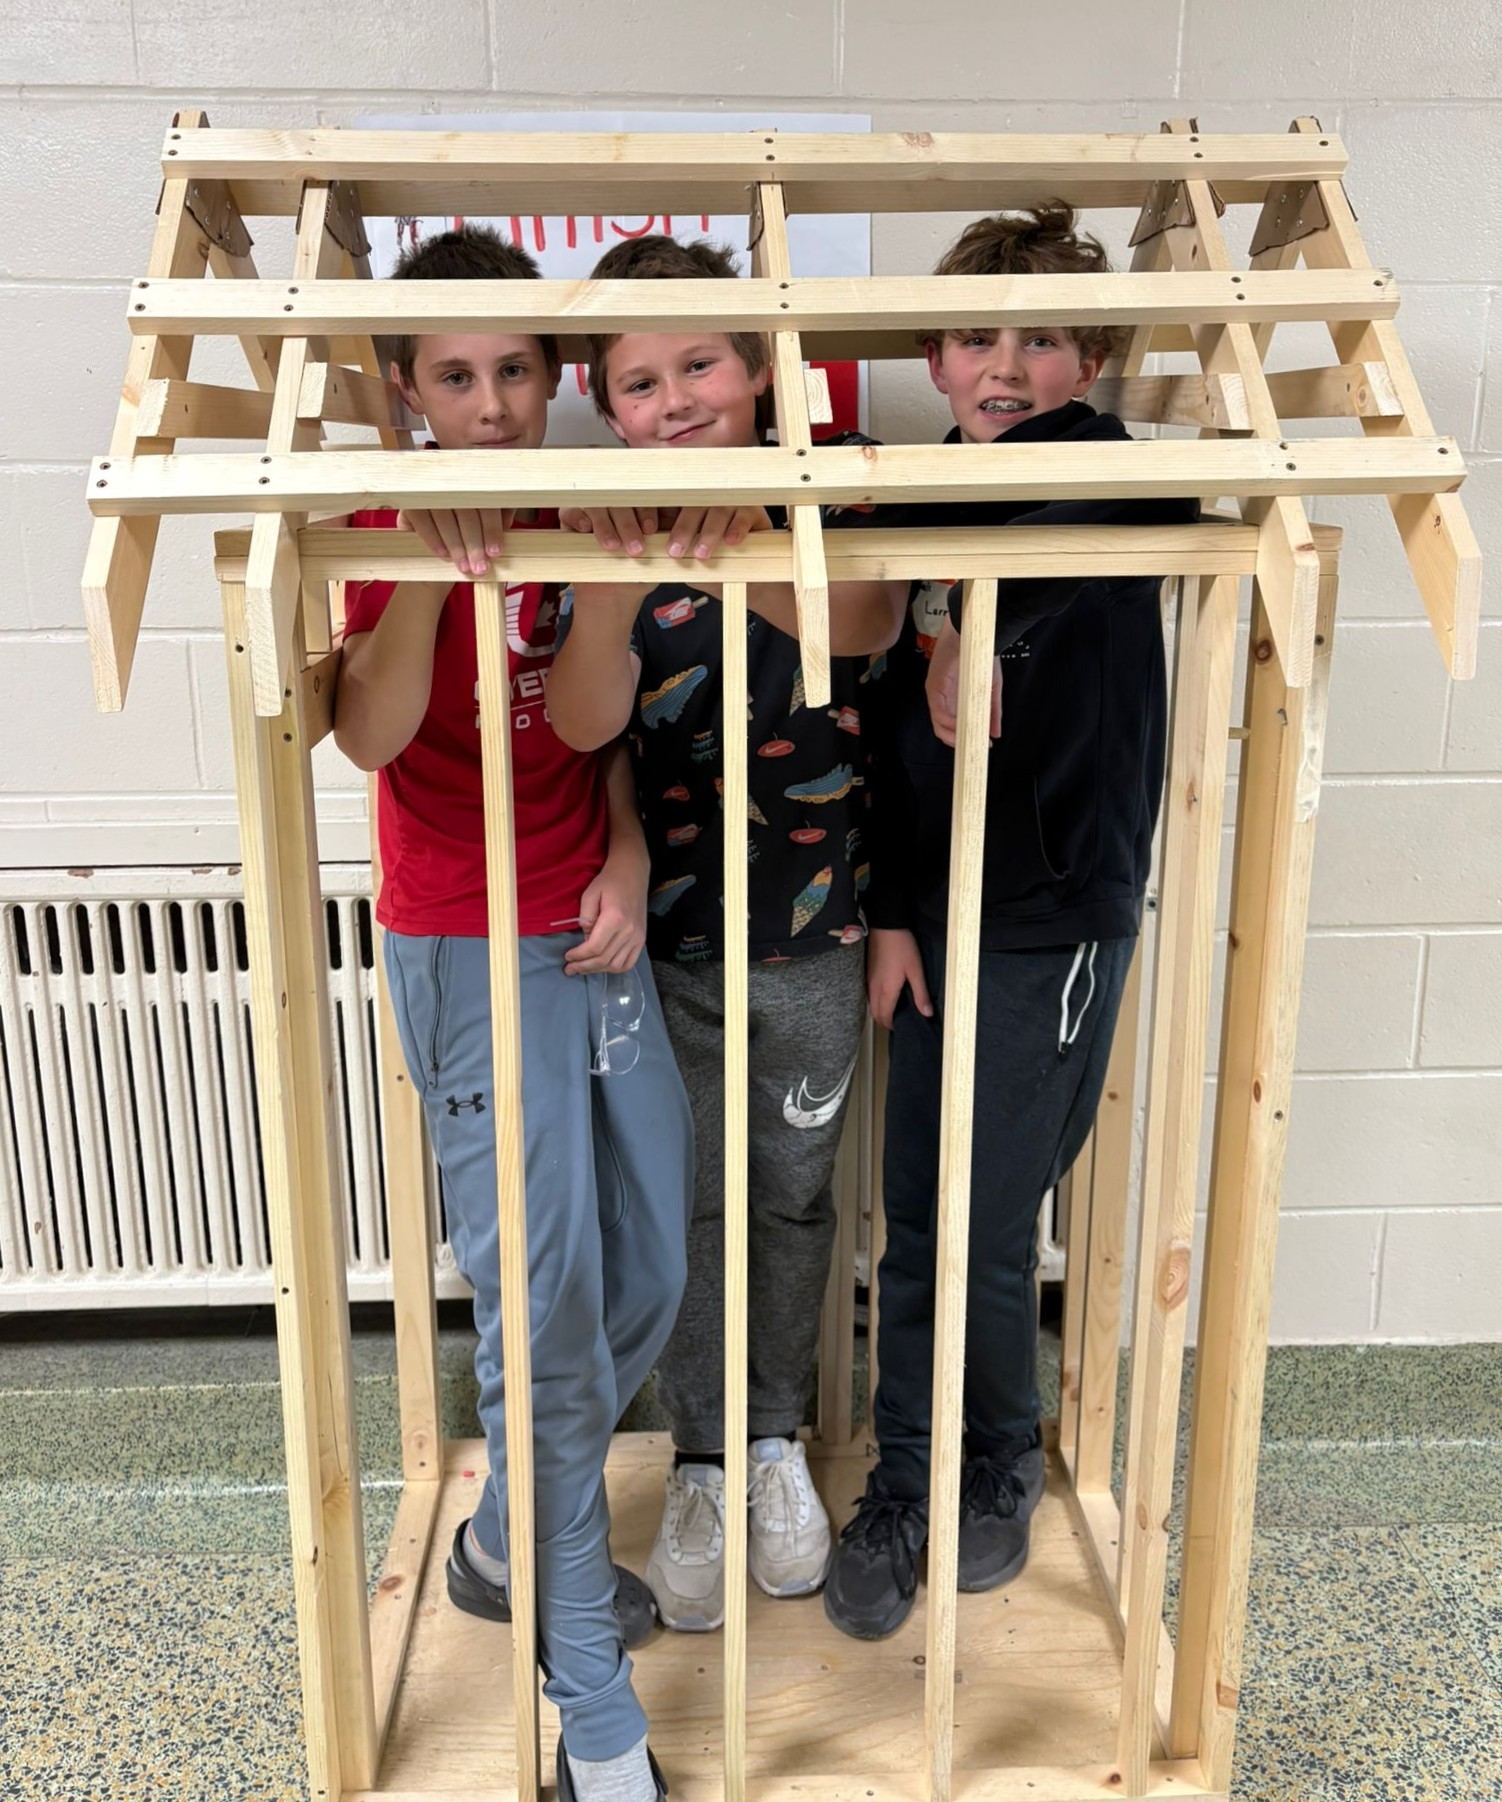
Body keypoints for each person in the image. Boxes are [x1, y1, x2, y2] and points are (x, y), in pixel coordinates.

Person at [333, 224, 691, 1802]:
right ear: (406, 391)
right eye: (455, 378)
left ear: (552, 382)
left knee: (654, 1261)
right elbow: (370, 732)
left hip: (583, 921)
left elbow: (594, 723)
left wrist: (620, 838)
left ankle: (500, 1536)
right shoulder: (372, 512)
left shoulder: (579, 502)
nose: (489, 407)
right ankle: (588, 1704)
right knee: (539, 1314)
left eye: (515, 373)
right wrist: (424, 554)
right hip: (461, 945)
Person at [822, 202, 1199, 1641]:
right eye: (977, 336)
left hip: (1051, 914)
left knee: (984, 1220)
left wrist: (971, 612)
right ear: (935, 351)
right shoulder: (924, 500)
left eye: (1040, 338)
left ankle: (991, 1457)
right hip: (942, 914)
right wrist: (895, 912)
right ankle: (904, 1479)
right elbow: (898, 744)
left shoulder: (1104, 469)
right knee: (919, 1212)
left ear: (1088, 356)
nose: (1004, 364)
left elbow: (1098, 509)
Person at [545, 233, 905, 1634]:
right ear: (608, 405)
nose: (676, 398)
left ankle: (771, 1441)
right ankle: (698, 1456)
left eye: (700, 362)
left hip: (814, 935)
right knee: (681, 1202)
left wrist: (746, 529)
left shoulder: (824, 482)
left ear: (760, 372)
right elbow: (586, 728)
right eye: (639, 382)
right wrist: (631, 573)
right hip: (672, 944)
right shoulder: (594, 519)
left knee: (794, 1192)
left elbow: (865, 625)